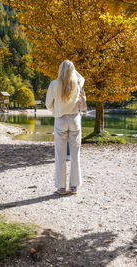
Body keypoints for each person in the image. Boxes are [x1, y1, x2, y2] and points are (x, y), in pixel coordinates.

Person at [45, 60, 85, 195]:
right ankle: (74, 186)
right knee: (75, 155)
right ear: (73, 70)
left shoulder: (54, 84)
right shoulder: (78, 83)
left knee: (60, 155)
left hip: (60, 119)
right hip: (74, 119)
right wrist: (72, 70)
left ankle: (61, 187)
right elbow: (81, 77)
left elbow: (48, 104)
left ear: (60, 69)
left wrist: (55, 110)